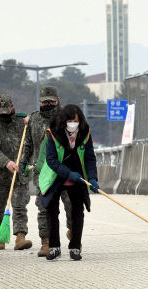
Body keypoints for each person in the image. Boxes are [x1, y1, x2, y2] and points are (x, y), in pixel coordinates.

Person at [19, 86, 75, 257]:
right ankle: (46, 241)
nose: (48, 104)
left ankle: (74, 233)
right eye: (45, 102)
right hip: (43, 172)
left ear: (57, 100)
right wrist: (23, 162)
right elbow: (28, 144)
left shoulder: (68, 118)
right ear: (40, 101)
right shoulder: (34, 119)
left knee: (71, 205)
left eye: (51, 101)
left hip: (65, 170)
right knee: (44, 207)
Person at [39, 104, 98, 261]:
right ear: (63, 121)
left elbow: (90, 157)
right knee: (52, 211)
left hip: (78, 175)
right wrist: (67, 173)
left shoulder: (85, 133)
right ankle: (54, 247)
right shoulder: (53, 133)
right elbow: (51, 160)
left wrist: (92, 178)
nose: (73, 123)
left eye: (76, 120)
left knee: (77, 211)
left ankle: (75, 247)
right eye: (70, 120)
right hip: (57, 174)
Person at [0, 94, 32, 250]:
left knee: (19, 205)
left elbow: (34, 138)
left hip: (20, 173)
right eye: (0, 111)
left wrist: (32, 123)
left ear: (12, 107)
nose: (3, 114)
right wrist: (6, 162)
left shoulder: (22, 121)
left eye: (6, 110)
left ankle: (20, 237)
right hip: (0, 175)